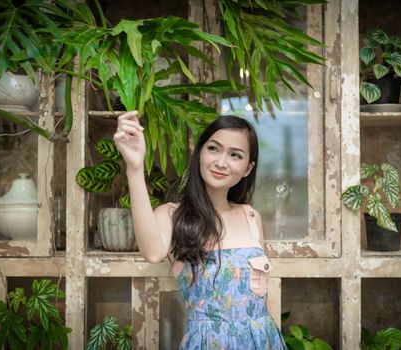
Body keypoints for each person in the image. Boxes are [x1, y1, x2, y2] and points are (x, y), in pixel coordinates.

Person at [114, 111, 286, 349]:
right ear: (199, 153)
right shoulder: (171, 214)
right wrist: (134, 166)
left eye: (235, 155)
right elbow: (152, 253)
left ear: (248, 168)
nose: (221, 162)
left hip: (263, 340)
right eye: (213, 149)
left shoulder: (251, 217)